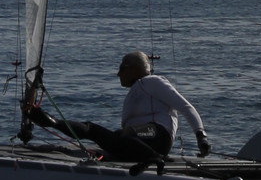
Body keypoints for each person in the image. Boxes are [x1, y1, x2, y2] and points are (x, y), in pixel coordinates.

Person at [74, 52, 212, 171]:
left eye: (122, 68)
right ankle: (52, 122)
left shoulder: (152, 81)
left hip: (157, 135)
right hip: (138, 143)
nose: (118, 74)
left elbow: (185, 107)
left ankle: (156, 158)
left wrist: (201, 137)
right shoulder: (134, 92)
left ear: (134, 69)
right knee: (93, 130)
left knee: (124, 134)